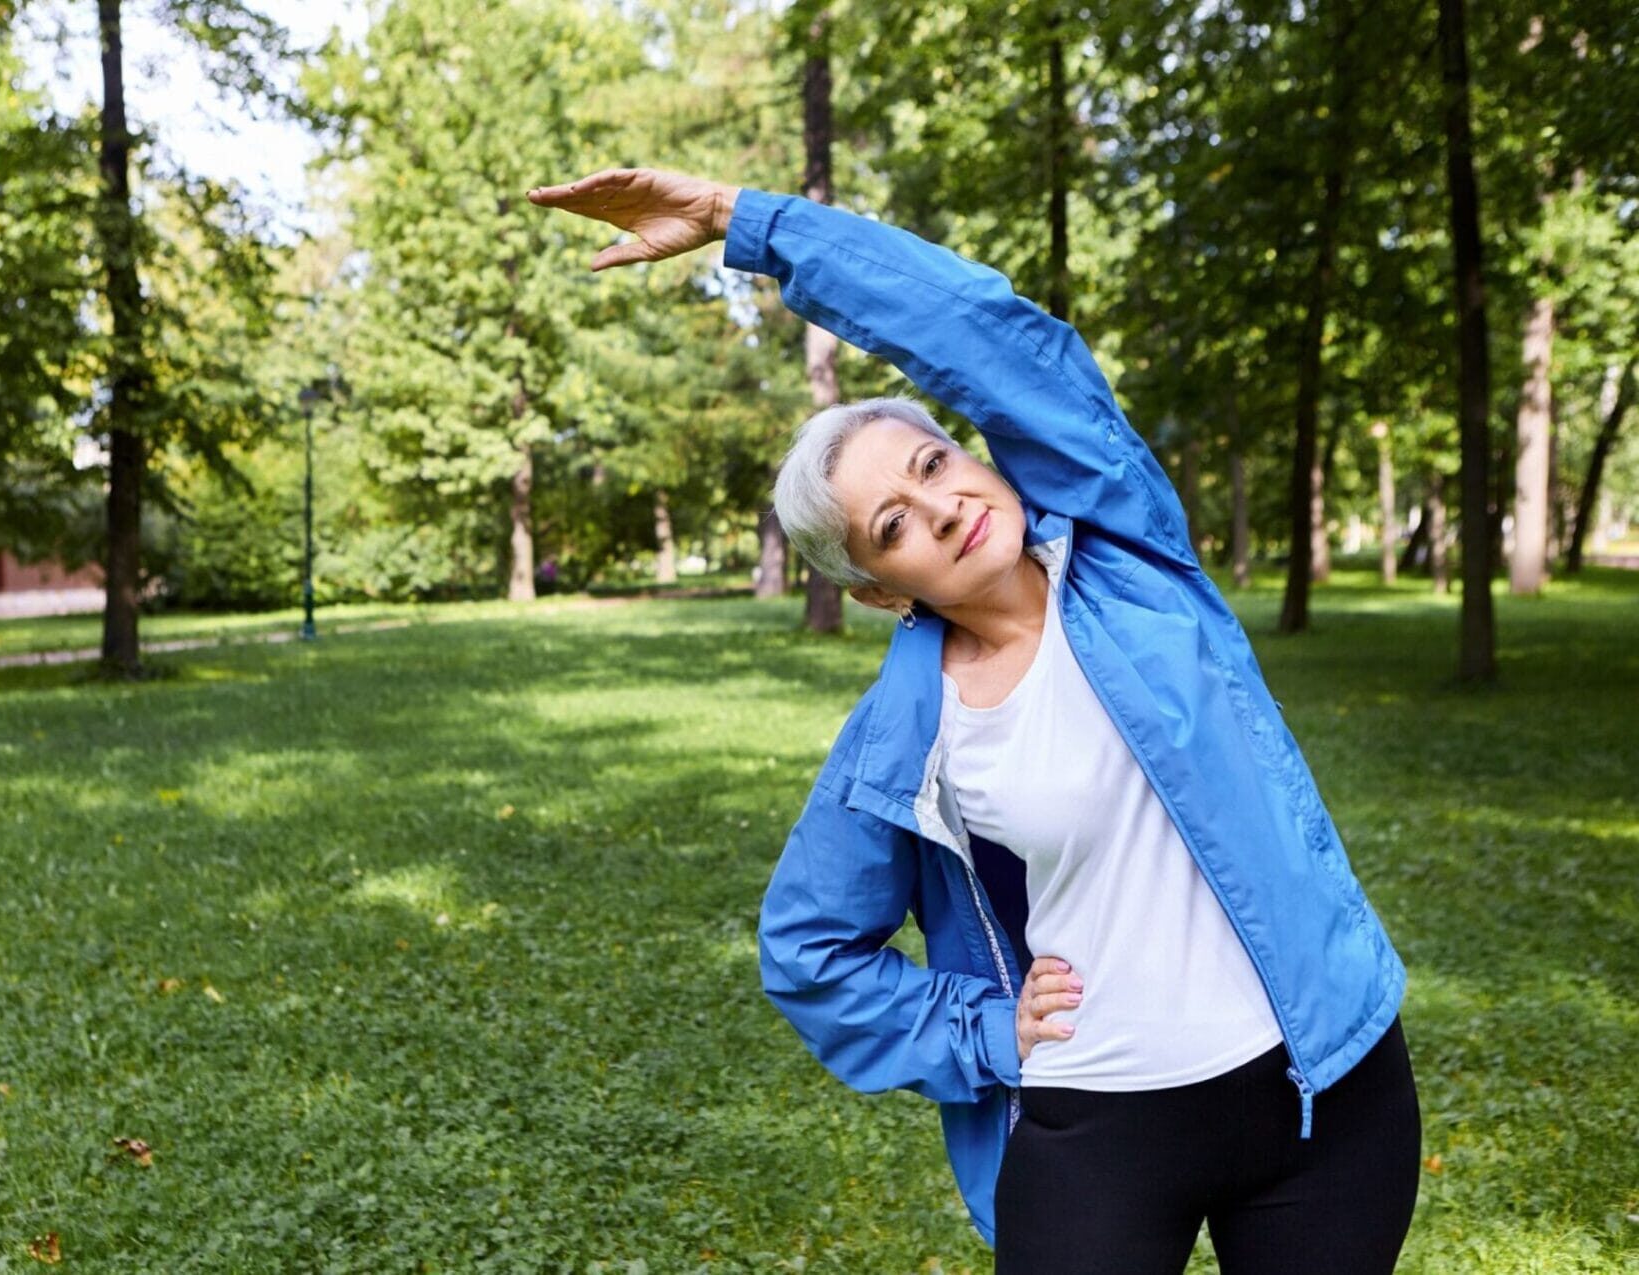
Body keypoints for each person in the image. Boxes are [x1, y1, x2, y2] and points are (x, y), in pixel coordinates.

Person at [529, 169, 1420, 1274]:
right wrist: (985, 1032)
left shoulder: (1131, 560)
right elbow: (808, 953)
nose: (943, 505)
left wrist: (743, 223)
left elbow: (986, 336)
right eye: (893, 523)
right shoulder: (907, 735)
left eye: (934, 462)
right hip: (1100, 1120)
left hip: (1325, 1094)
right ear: (879, 589)